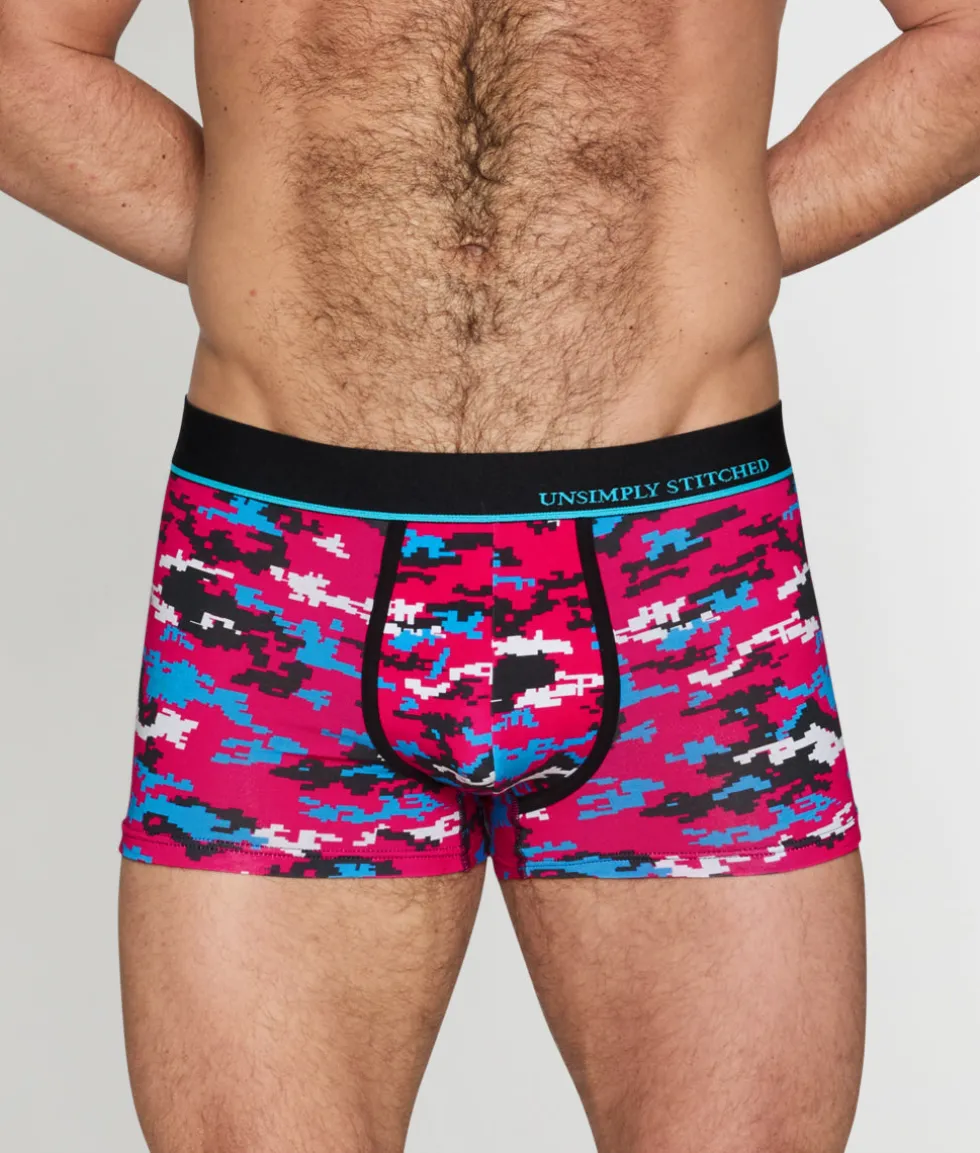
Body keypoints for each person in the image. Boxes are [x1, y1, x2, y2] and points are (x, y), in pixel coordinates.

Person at [1, 0, 977, 1149]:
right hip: (286, 567)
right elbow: (20, 59)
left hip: (680, 569)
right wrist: (287, 250)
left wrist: (687, 237)